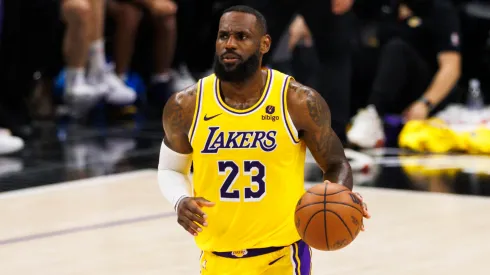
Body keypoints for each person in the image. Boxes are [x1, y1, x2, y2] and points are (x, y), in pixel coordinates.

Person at [158, 5, 370, 274]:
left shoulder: (297, 101)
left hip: (282, 257)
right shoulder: (186, 105)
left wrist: (341, 195)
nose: (230, 44)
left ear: (265, 44)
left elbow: (336, 163)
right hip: (215, 256)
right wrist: (179, 199)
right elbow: (169, 168)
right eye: (223, 36)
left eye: (242, 36)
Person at [347, 0, 462, 148]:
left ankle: (373, 114)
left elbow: (451, 67)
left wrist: (425, 103)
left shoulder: (439, 9)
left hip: (422, 90)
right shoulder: (388, 7)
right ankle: (339, 121)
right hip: (389, 84)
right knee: (355, 53)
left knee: (396, 49)